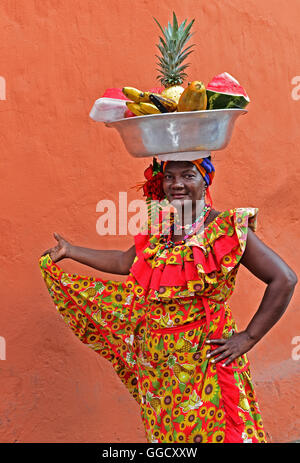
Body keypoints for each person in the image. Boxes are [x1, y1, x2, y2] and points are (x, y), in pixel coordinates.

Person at [39, 157, 297, 444]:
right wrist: (72, 251)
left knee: (219, 434)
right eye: (169, 177)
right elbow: (125, 262)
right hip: (159, 367)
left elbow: (284, 279)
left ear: (205, 180)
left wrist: (249, 337)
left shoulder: (225, 229)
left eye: (188, 175)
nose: (177, 184)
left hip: (206, 360)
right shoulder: (160, 229)